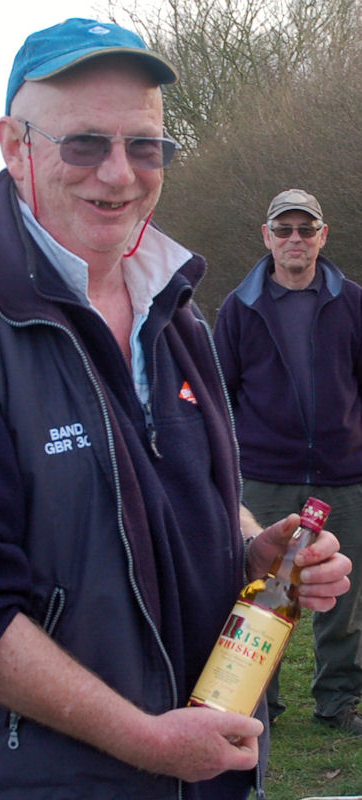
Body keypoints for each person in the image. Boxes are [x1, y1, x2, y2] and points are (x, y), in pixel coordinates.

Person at [0, 23, 350, 800]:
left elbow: (188, 492)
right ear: (13, 145)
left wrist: (251, 549)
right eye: (84, 145)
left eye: (146, 147)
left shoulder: (177, 310)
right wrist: (147, 740)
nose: (119, 173)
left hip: (199, 772)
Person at [214, 188, 362, 735]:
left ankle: (338, 700)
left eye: (306, 229)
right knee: (258, 594)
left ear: (323, 236)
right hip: (265, 480)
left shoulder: (354, 302)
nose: (295, 239)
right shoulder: (238, 308)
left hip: (344, 479)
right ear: (267, 237)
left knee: (341, 600)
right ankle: (259, 701)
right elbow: (220, 399)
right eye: (284, 229)